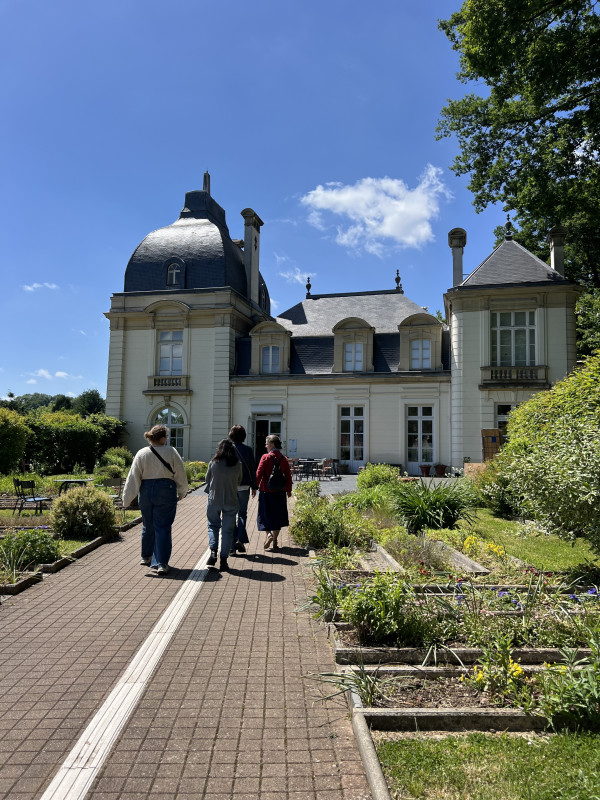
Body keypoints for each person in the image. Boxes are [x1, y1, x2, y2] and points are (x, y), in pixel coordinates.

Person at [122, 425, 188, 575]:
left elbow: (133, 477)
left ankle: (146, 556)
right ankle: (162, 563)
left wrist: (126, 500)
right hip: (166, 490)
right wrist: (182, 491)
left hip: (146, 490)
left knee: (147, 523)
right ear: (163, 438)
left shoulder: (141, 453)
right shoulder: (171, 451)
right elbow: (180, 472)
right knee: (163, 526)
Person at [204, 438, 242, 571]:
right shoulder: (237, 464)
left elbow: (207, 479)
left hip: (214, 499)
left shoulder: (214, 462)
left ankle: (213, 551)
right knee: (227, 531)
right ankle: (224, 560)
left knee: (213, 525)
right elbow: (239, 481)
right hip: (231, 500)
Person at [256, 434, 293, 551]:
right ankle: (275, 541)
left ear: (272, 445)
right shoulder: (284, 458)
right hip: (280, 492)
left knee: (264, 514)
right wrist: (289, 490)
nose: (265, 446)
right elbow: (288, 475)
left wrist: (254, 487)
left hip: (266, 491)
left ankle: (268, 534)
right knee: (277, 515)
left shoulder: (265, 457)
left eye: (267, 444)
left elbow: (259, 473)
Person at [228, 425, 257, 554]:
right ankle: (240, 539)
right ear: (244, 436)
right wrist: (254, 486)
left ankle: (232, 546)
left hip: (230, 486)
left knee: (231, 514)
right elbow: (252, 468)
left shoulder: (228, 449)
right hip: (245, 485)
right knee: (242, 513)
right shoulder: (248, 450)